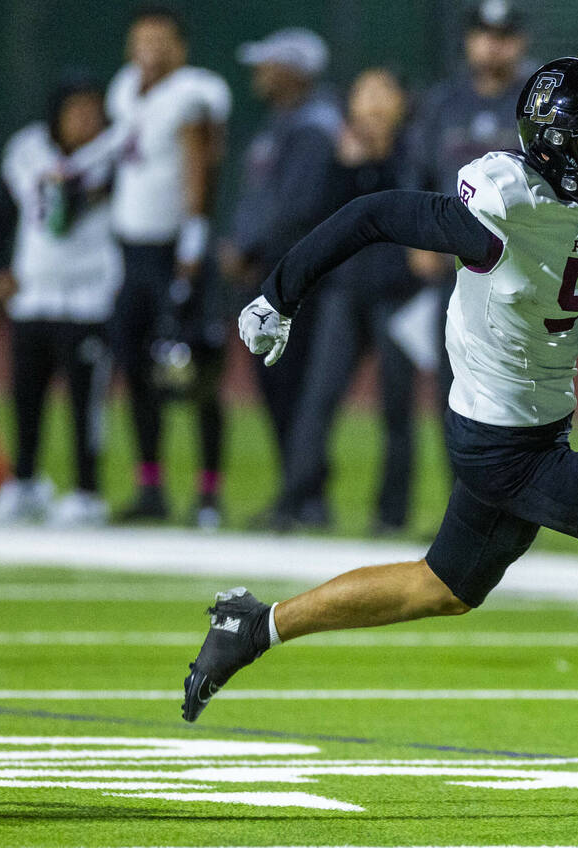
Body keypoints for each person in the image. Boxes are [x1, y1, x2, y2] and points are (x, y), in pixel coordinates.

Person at [182, 56, 578, 793]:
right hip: (507, 443)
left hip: (526, 427)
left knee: (442, 585)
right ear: (549, 147)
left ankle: (253, 627)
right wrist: (277, 297)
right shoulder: (505, 208)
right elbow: (374, 214)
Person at [86, 5, 232, 527]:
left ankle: (209, 493)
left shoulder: (192, 94)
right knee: (135, 366)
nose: (149, 47)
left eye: (160, 38)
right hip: (132, 252)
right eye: (141, 37)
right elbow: (122, 159)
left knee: (195, 371)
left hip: (177, 251)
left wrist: (193, 247)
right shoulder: (124, 87)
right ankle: (150, 486)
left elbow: (200, 171)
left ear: (180, 47)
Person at [271, 68, 420, 534]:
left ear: (401, 104)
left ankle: (390, 515)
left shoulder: (413, 151)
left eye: (383, 93)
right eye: (364, 93)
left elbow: (417, 211)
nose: (373, 104)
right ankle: (299, 500)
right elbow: (322, 220)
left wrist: (380, 159)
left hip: (399, 296)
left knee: (398, 408)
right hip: (345, 292)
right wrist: (349, 165)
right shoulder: (338, 153)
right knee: (318, 398)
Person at [0, 73, 119, 527]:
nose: (86, 121)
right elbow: (0, 210)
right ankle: (24, 483)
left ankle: (86, 490)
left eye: (93, 112)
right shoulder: (27, 149)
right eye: (76, 111)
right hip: (33, 293)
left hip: (88, 295)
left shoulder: (114, 150)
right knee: (25, 393)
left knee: (85, 399)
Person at [220, 28, 342, 527]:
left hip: (293, 278)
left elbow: (298, 209)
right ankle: (296, 491)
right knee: (277, 385)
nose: (259, 74)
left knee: (292, 384)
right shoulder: (284, 122)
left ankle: (305, 495)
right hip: (271, 272)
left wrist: (247, 248)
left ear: (293, 72)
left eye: (269, 65)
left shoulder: (313, 127)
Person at [403, 0, 529, 423]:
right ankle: (463, 489)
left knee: (518, 392)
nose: (494, 46)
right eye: (485, 36)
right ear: (469, 41)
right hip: (452, 269)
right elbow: (417, 173)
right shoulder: (443, 102)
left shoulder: (538, 100)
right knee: (451, 388)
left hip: (520, 271)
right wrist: (418, 240)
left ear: (520, 42)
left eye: (504, 37)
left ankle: (508, 487)